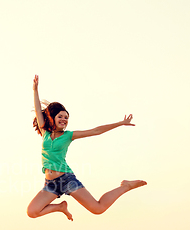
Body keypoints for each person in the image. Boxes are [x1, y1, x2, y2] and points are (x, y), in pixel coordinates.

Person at [27, 75, 146, 221]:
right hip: (50, 184)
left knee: (97, 208)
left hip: (66, 179)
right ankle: (60, 207)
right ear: (52, 117)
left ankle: (125, 186)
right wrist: (35, 89)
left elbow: (96, 131)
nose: (64, 120)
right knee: (32, 212)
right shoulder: (45, 133)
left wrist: (120, 123)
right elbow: (38, 111)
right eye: (61, 117)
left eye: (66, 118)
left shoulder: (68, 135)